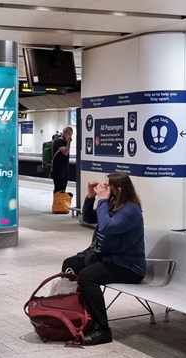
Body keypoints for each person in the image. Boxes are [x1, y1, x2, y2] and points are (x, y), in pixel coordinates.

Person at [61, 172, 146, 345]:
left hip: (128, 267)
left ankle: (102, 329)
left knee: (87, 276)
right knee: (70, 264)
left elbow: (107, 227)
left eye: (108, 186)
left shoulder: (131, 210)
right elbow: (89, 217)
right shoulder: (112, 204)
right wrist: (91, 197)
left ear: (119, 190)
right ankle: (77, 315)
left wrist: (101, 200)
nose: (104, 188)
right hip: (106, 258)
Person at [51, 126, 73, 193]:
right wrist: (69, 142)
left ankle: (60, 202)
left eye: (71, 134)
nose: (70, 136)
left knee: (63, 189)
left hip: (64, 169)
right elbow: (66, 152)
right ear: (64, 132)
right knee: (58, 188)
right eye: (69, 134)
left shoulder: (65, 142)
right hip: (58, 169)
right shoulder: (59, 141)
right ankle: (57, 202)